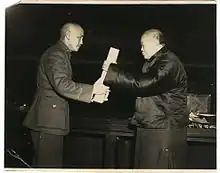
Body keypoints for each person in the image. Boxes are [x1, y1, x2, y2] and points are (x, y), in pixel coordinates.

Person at [23, 22, 109, 168]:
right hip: (48, 123)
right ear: (68, 36)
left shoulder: (59, 54)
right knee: (49, 167)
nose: (82, 42)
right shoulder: (56, 54)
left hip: (49, 121)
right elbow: (62, 85)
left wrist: (93, 96)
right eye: (79, 37)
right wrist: (93, 90)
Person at [103, 29, 189, 169]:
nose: (141, 49)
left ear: (155, 42)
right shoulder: (157, 61)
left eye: (143, 45)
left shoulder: (169, 62)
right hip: (152, 124)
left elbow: (143, 83)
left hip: (162, 129)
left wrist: (112, 72)